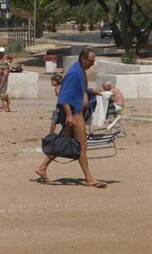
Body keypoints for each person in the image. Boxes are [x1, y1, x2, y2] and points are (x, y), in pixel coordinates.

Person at [35, 47, 106, 188]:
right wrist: (68, 115)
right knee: (82, 145)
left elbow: (78, 89)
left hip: (76, 111)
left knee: (63, 142)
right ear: (83, 59)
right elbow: (63, 97)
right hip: (74, 113)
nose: (93, 64)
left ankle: (42, 167)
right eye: (91, 61)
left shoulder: (80, 71)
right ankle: (89, 178)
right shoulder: (74, 73)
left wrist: (92, 91)